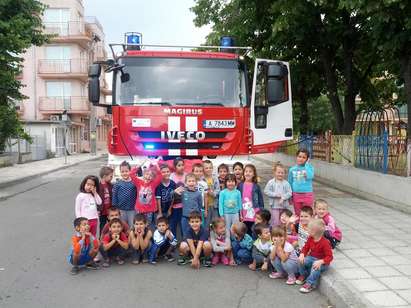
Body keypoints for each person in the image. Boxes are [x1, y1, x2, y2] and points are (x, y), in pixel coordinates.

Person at [297, 219, 333, 293]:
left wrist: (321, 261)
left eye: (308, 228)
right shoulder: (311, 238)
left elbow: (330, 257)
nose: (307, 229)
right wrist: (302, 254)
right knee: (301, 261)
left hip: (322, 262)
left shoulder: (325, 243)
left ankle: (310, 284)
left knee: (315, 267)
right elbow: (305, 248)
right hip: (312, 258)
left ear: (314, 232)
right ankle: (304, 275)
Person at [130, 163, 161, 228]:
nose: (148, 176)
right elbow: (131, 174)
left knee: (147, 226)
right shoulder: (139, 182)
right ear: (143, 175)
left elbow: (160, 176)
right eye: (147, 174)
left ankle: (147, 237)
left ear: (153, 178)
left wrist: (156, 166)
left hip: (149, 211)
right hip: (139, 209)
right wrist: (138, 166)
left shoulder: (153, 184)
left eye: (151, 175)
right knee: (138, 226)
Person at [238, 164, 264, 236]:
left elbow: (260, 199)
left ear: (254, 174)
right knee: (244, 229)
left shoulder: (256, 186)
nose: (248, 173)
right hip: (243, 212)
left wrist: (261, 210)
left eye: (250, 171)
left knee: (254, 229)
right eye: (246, 171)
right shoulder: (240, 185)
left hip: (254, 212)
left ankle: (254, 244)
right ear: (243, 173)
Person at [264, 163, 293, 227]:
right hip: (274, 206)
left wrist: (283, 197)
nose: (280, 174)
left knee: (284, 221)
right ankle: (275, 232)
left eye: (282, 173)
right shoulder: (271, 182)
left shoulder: (286, 183)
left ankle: (283, 233)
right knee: (275, 221)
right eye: (278, 172)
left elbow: (290, 193)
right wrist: (275, 194)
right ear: (274, 173)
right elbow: (266, 191)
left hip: (284, 206)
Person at [288, 148, 314, 216]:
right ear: (296, 157)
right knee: (298, 213)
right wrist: (290, 196)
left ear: (307, 159)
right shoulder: (292, 169)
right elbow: (289, 183)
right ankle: (299, 226)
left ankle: (308, 226)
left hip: (307, 195)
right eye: (299, 156)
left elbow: (310, 176)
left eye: (304, 157)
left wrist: (307, 165)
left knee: (307, 214)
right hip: (296, 195)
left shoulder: (309, 167)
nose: (301, 159)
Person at [112, 161, 137, 228]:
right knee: (122, 226)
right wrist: (115, 208)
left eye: (126, 171)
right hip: (121, 209)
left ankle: (131, 238)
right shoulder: (118, 183)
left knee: (132, 226)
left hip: (132, 209)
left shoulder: (134, 183)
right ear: (120, 172)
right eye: (122, 171)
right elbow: (114, 196)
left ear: (130, 171)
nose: (124, 173)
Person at [178, 173, 203, 238]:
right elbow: (173, 195)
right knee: (185, 233)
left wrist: (199, 215)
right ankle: (186, 245)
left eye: (193, 181)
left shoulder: (198, 193)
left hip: (195, 217)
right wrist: (176, 191)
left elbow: (200, 205)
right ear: (185, 183)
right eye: (189, 181)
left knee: (195, 233)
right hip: (185, 217)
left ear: (196, 183)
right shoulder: (183, 192)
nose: (191, 183)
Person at [169, 157, 186, 239]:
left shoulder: (186, 175)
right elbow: (169, 191)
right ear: (175, 167)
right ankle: (173, 244)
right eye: (179, 165)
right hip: (174, 207)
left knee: (184, 226)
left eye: (182, 165)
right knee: (173, 226)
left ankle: (184, 244)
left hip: (184, 206)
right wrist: (175, 191)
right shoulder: (171, 176)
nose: (181, 167)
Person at [203, 160, 220, 230]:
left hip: (214, 204)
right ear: (203, 169)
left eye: (210, 167)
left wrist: (213, 193)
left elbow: (218, 190)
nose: (208, 169)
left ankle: (215, 237)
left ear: (212, 168)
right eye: (206, 168)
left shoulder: (215, 178)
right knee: (207, 223)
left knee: (215, 222)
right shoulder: (202, 179)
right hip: (206, 206)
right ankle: (207, 238)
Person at [98, 166, 114, 237]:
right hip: (102, 211)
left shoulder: (110, 185)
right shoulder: (98, 186)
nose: (112, 178)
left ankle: (112, 237)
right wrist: (98, 209)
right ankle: (101, 239)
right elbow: (96, 199)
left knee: (112, 225)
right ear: (104, 176)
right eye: (110, 176)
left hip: (110, 210)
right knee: (103, 226)